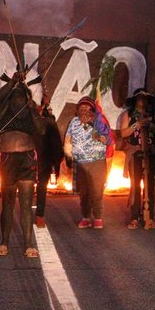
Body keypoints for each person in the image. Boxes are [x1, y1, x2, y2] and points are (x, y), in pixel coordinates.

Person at [0, 71, 45, 258]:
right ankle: (4, 242)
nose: (18, 99)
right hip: (8, 157)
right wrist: (12, 82)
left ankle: (28, 245)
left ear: (26, 97)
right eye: (14, 96)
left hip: (28, 157)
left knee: (25, 202)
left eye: (21, 96)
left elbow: (41, 129)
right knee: (7, 202)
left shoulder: (30, 110)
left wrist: (33, 110)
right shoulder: (3, 107)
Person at [64, 96, 113, 230]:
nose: (84, 110)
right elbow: (68, 139)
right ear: (77, 110)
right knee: (84, 192)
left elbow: (108, 140)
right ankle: (85, 217)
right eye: (82, 108)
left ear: (92, 110)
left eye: (87, 108)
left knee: (96, 191)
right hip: (80, 162)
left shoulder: (99, 122)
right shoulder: (73, 122)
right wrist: (68, 155)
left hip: (97, 162)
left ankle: (97, 217)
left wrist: (98, 134)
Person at [118, 88, 155, 229]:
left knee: (150, 184)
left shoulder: (154, 115)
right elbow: (124, 133)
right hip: (136, 153)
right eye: (140, 98)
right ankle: (135, 216)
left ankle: (148, 215)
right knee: (135, 185)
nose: (142, 101)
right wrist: (137, 124)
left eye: (145, 99)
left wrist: (151, 125)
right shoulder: (128, 114)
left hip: (150, 153)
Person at [34, 98, 64, 228]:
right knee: (26, 188)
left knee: (42, 188)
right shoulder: (24, 121)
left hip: (44, 161)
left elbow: (56, 143)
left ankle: (40, 215)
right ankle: (27, 215)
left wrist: (55, 163)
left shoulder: (50, 122)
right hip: (27, 160)